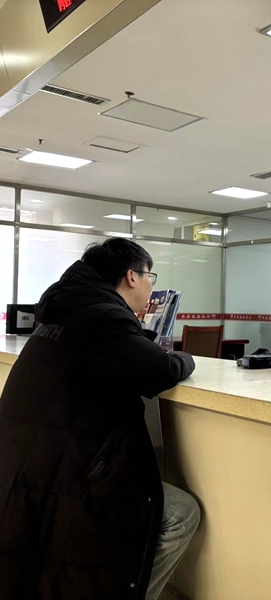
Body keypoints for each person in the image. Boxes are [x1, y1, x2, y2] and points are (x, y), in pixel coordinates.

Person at [0, 238, 200, 600]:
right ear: (132, 277)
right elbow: (161, 371)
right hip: (66, 473)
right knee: (179, 515)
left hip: (27, 464)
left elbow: (116, 355)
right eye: (150, 276)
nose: (150, 285)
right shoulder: (105, 318)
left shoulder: (67, 311)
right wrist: (188, 358)